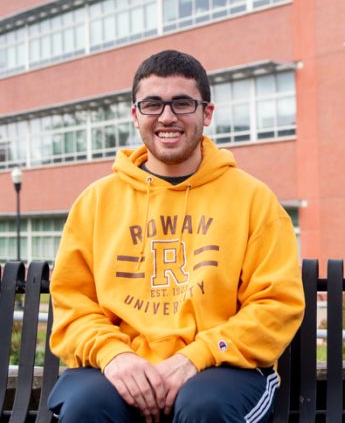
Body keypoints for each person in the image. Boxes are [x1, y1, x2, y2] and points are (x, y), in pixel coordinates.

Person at [47, 49, 305, 423]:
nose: (167, 117)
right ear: (136, 116)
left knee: (205, 408)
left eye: (182, 103)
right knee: (88, 408)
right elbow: (73, 302)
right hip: (115, 364)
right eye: (153, 104)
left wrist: (196, 356)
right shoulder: (96, 201)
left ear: (207, 113)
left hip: (221, 366)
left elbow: (276, 303)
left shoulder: (252, 199)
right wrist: (114, 355)